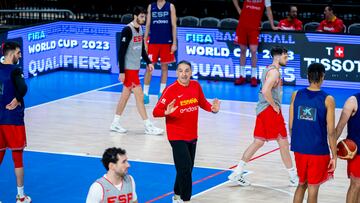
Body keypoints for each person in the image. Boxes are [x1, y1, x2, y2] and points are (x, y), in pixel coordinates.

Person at [228, 46, 298, 187]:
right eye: (286, 56)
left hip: (261, 110)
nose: (287, 59)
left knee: (258, 142)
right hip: (269, 111)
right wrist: (274, 105)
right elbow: (266, 91)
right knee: (283, 143)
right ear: (278, 57)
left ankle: (237, 172)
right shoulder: (274, 73)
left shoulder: (268, 69)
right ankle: (293, 177)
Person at [153, 60, 220, 203]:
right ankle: (185, 199)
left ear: (191, 72)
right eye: (181, 71)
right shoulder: (171, 90)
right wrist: (167, 111)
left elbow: (202, 102)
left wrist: (212, 109)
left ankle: (177, 195)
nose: (184, 74)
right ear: (177, 72)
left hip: (192, 135)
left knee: (187, 168)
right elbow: (155, 111)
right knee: (184, 170)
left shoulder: (195, 86)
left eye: (187, 71)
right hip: (176, 136)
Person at [110, 6, 164, 135]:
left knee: (124, 97)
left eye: (144, 16)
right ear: (135, 16)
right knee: (139, 97)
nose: (143, 19)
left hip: (135, 69)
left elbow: (141, 50)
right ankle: (148, 126)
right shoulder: (127, 30)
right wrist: (121, 72)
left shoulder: (140, 28)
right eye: (141, 16)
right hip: (129, 70)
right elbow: (121, 53)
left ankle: (115, 123)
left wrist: (149, 62)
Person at [290, 63, 337, 203]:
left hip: (299, 148)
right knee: (313, 189)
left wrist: (299, 142)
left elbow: (291, 125)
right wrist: (334, 155)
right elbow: (331, 132)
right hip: (317, 150)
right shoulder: (328, 99)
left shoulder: (295, 95)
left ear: (307, 76)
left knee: (301, 184)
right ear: (323, 76)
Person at [0, 41, 31, 203]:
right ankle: (20, 197)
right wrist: (17, 99)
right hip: (13, 121)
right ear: (11, 53)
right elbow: (23, 88)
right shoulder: (15, 70)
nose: (20, 55)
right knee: (17, 157)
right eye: (18, 53)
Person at [232, 0, 278, 87]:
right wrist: (239, 9)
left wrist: (272, 25)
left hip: (254, 27)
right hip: (243, 25)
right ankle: (242, 76)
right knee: (242, 50)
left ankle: (253, 77)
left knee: (253, 51)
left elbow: (269, 10)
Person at [143, 0, 177, 104]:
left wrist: (174, 42)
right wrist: (145, 40)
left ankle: (161, 93)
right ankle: (145, 94)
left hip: (166, 41)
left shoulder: (170, 6)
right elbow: (148, 24)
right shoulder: (151, 6)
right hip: (153, 41)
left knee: (164, 67)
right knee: (149, 67)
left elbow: (174, 25)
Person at [335, 94, 360, 203]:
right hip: (357, 152)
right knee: (356, 184)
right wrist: (331, 148)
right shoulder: (352, 101)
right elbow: (340, 126)